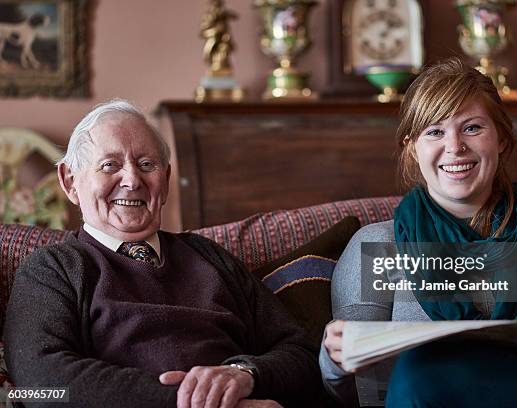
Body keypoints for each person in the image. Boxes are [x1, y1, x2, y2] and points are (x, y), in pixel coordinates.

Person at [319, 58, 517, 407]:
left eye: (472, 128)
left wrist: (502, 355)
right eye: (435, 131)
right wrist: (333, 360)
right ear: (413, 147)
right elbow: (349, 387)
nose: (455, 147)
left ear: (501, 138)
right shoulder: (375, 245)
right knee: (418, 370)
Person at [3, 100, 322, 408]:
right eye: (110, 165)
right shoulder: (54, 268)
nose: (131, 180)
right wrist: (199, 403)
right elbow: (41, 382)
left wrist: (244, 374)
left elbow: (302, 354)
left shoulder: (210, 257)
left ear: (166, 180)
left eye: (146, 165)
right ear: (70, 182)